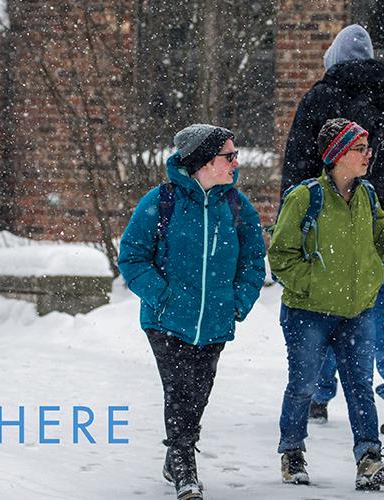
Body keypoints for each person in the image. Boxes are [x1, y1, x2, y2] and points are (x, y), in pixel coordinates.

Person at [279, 24, 384, 437]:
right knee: (383, 306)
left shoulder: (323, 98)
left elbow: (297, 165)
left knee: (325, 306)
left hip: (330, 225)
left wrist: (291, 220)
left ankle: (317, 394)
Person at [118, 124, 266, 500]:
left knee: (199, 391)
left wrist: (238, 303)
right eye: (228, 156)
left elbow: (253, 261)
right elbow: (132, 257)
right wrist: (163, 298)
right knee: (180, 389)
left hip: (215, 320)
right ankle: (184, 462)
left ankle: (176, 454)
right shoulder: (161, 201)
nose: (236, 162)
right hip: (166, 320)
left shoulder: (236, 206)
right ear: (203, 162)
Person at [269, 118, 384, 491]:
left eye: (367, 148)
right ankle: (292, 453)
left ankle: (369, 458)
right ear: (336, 155)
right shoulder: (305, 197)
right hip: (308, 314)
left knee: (359, 387)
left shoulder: (366, 194)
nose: (368, 155)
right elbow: (281, 256)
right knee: (303, 386)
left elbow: (383, 234)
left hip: (356, 311)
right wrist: (314, 285)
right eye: (359, 149)